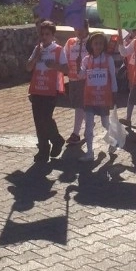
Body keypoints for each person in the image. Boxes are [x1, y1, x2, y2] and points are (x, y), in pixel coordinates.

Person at [25, 20, 67, 163]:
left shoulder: (59, 50)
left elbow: (66, 69)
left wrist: (55, 65)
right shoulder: (38, 49)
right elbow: (28, 67)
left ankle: (57, 140)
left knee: (46, 118)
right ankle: (43, 149)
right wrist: (36, 56)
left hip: (51, 89)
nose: (44, 37)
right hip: (37, 89)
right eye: (42, 34)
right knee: (38, 120)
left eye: (47, 34)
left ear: (53, 35)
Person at [79, 31, 118, 160]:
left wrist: (114, 93)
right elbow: (81, 75)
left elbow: (112, 76)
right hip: (89, 97)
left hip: (103, 98)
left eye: (101, 43)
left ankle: (113, 141)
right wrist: (77, 66)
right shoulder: (86, 59)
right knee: (88, 126)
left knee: (105, 124)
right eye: (96, 43)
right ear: (91, 44)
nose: (98, 46)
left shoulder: (108, 59)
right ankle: (90, 152)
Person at [64, 21, 89, 146]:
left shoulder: (90, 43)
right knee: (76, 104)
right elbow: (64, 57)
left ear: (86, 29)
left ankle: (75, 134)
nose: (79, 32)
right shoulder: (70, 42)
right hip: (72, 78)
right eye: (76, 29)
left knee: (79, 105)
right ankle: (89, 122)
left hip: (85, 79)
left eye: (81, 29)